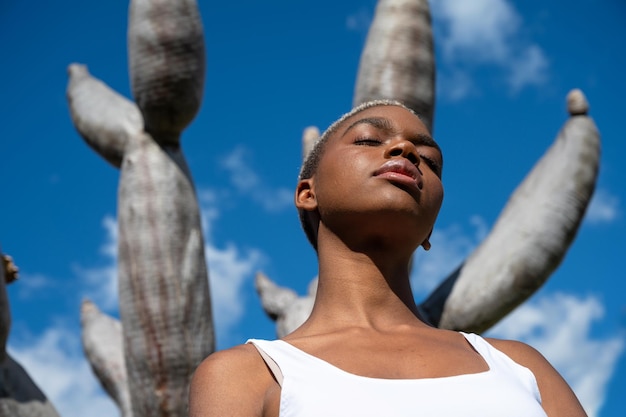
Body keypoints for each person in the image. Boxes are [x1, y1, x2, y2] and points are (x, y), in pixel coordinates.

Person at [189, 100, 587, 417]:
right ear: (308, 194)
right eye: (367, 140)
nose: (406, 149)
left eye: (430, 162)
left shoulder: (519, 366)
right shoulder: (247, 374)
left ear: (430, 229)